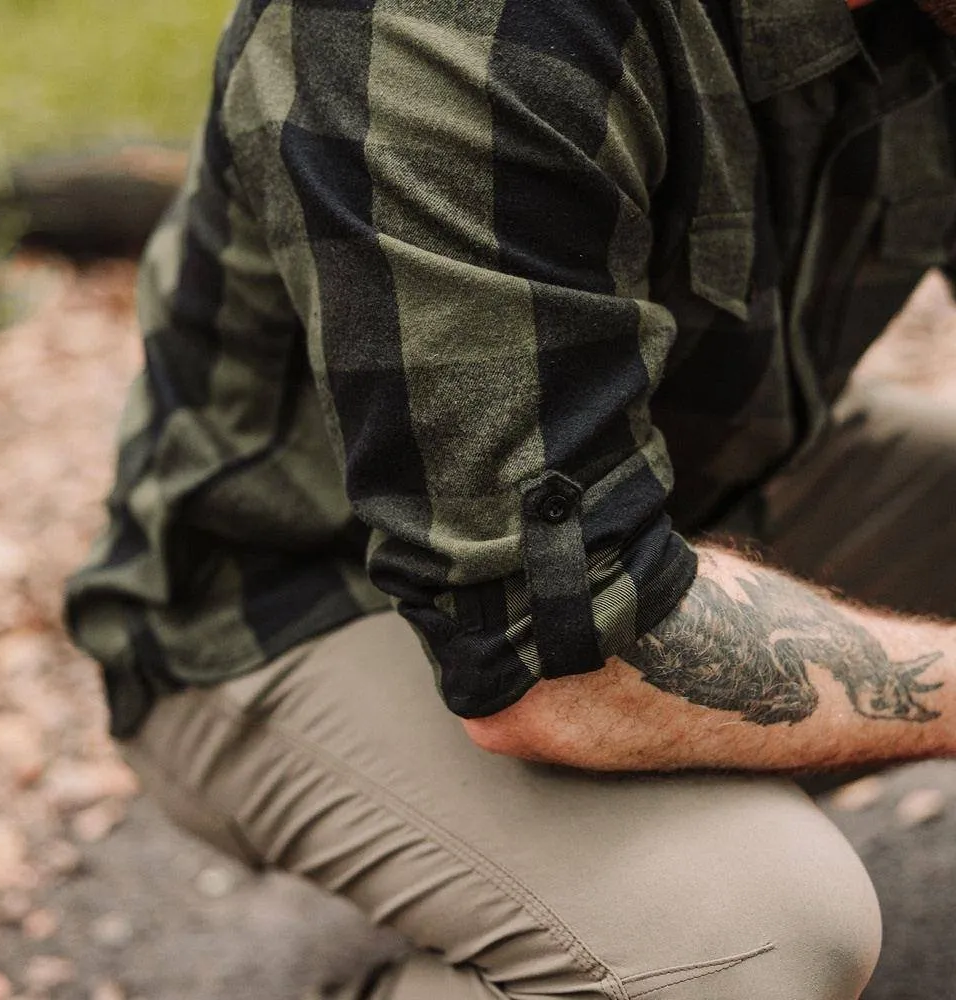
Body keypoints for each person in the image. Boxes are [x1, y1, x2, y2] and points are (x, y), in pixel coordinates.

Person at [65, 0, 956, 995]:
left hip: (695, 486)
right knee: (751, 940)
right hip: (300, 594)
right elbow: (556, 659)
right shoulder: (445, 23)